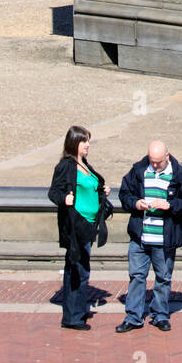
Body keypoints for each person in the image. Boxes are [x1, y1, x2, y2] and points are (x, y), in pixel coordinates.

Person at [115, 140, 182, 334]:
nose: (154, 165)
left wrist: (170, 206)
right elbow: (124, 193)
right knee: (136, 276)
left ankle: (160, 315)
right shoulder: (139, 170)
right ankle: (133, 317)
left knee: (163, 278)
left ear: (167, 157)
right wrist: (135, 204)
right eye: (152, 161)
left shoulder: (180, 174)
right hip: (140, 237)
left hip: (164, 238)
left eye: (158, 162)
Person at [47, 125, 113, 330]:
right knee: (77, 270)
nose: (88, 145)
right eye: (84, 142)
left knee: (81, 269)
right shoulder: (66, 166)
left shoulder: (84, 164)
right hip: (77, 226)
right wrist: (64, 198)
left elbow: (91, 186)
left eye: (88, 141)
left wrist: (103, 189)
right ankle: (72, 317)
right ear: (74, 143)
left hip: (89, 225)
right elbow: (53, 192)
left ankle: (78, 309)